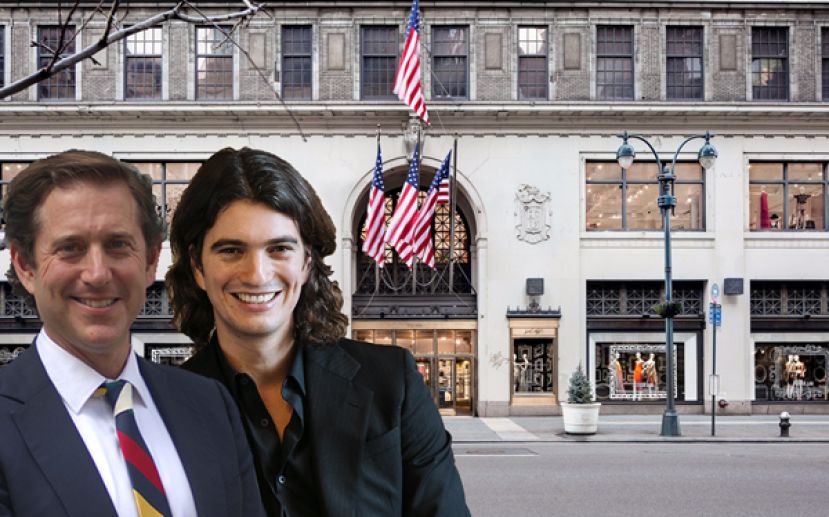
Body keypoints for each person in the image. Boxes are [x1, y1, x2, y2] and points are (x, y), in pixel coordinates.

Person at [166, 147, 470, 516]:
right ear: (198, 267)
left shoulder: (394, 383)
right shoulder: (164, 408)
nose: (257, 275)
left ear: (307, 262)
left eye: (279, 249)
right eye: (231, 250)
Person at [0, 151, 265, 516]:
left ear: (151, 261)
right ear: (25, 266)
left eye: (117, 245)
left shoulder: (210, 405)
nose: (97, 274)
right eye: (70, 248)